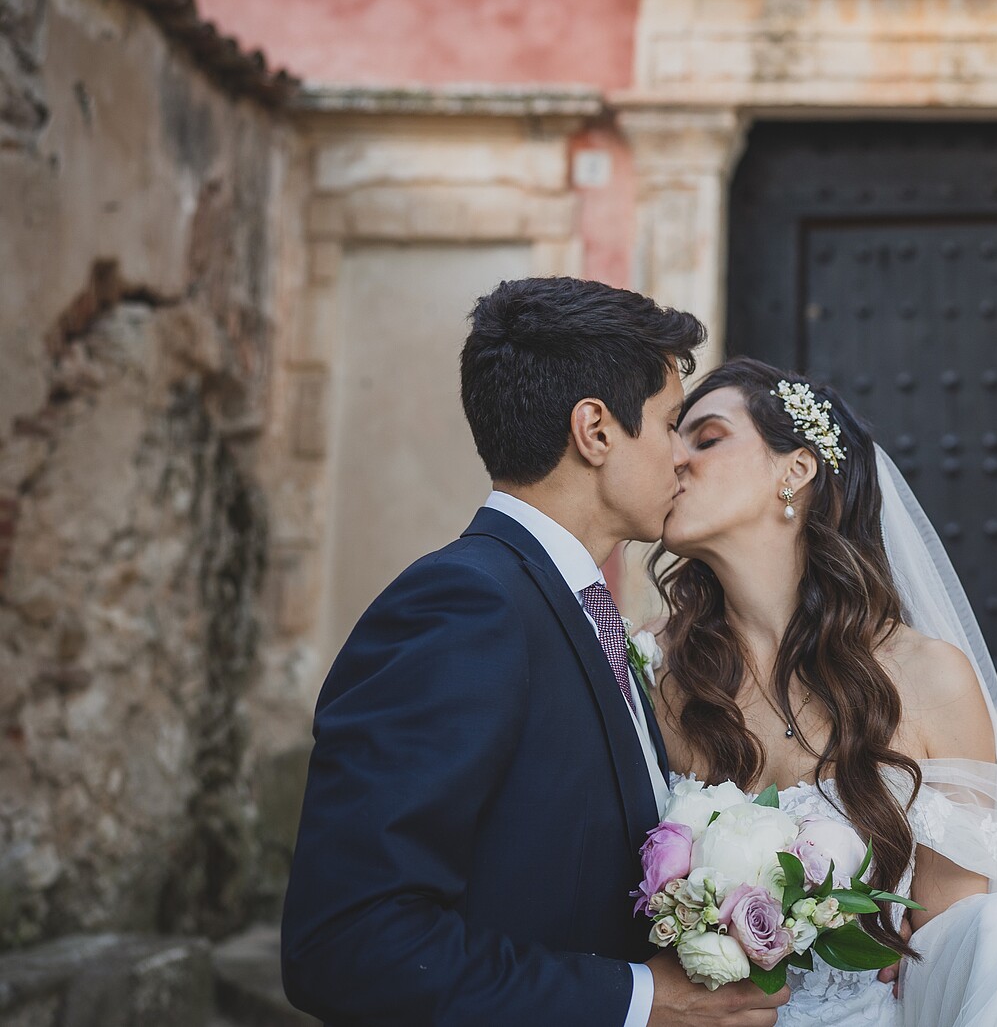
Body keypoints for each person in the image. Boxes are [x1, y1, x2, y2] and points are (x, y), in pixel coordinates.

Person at [281, 277, 789, 1027]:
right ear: (595, 431)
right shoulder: (462, 608)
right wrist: (640, 1001)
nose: (683, 458)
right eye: (669, 424)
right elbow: (349, 943)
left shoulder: (581, 613)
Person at [647, 357, 997, 1026]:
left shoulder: (929, 678)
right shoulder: (652, 670)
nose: (675, 460)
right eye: (674, 438)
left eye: (707, 438)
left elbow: (954, 930)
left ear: (796, 470)